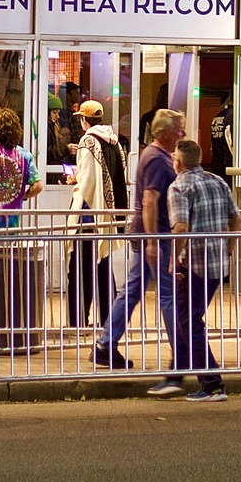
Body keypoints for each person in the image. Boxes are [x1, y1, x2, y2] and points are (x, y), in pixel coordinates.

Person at [99, 108, 185, 389]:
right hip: (156, 238)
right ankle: (182, 355)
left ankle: (105, 344)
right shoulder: (158, 161)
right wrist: (152, 241)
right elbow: (150, 201)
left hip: (148, 236)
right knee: (169, 295)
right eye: (178, 129)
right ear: (164, 132)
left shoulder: (154, 156)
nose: (182, 134)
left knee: (133, 290)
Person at [167, 138, 239, 402]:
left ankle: (211, 382)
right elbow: (236, 218)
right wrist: (229, 248)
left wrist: (174, 260)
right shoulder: (217, 181)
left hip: (194, 264)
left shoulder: (179, 187)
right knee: (189, 318)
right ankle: (179, 371)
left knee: (189, 320)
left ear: (178, 162)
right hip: (218, 262)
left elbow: (181, 228)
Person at [68, 99, 127, 330]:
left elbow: (87, 182)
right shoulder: (114, 141)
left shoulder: (88, 141)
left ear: (84, 120)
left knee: (80, 270)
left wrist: (75, 179)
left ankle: (78, 320)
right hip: (107, 214)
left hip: (88, 215)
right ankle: (108, 320)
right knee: (103, 267)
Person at [204, 91, 235, 180]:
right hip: (229, 167)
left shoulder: (218, 116)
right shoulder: (233, 115)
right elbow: (230, 143)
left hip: (217, 164)